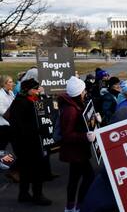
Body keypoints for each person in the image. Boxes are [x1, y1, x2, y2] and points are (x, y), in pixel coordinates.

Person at [8, 78, 52, 206]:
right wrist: (38, 130)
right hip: (26, 143)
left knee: (26, 169)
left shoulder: (30, 100)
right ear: (28, 90)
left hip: (30, 141)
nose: (38, 90)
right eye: (35, 89)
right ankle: (37, 195)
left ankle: (24, 194)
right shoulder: (21, 103)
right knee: (35, 170)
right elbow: (22, 126)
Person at [59, 76, 95, 211]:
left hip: (78, 150)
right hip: (75, 151)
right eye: (84, 90)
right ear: (79, 92)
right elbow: (67, 135)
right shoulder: (71, 110)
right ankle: (78, 206)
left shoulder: (75, 105)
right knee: (89, 177)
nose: (85, 92)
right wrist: (85, 136)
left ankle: (70, 207)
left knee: (75, 178)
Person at [0, 75, 15, 150]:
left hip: (11, 124)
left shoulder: (11, 93)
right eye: (10, 82)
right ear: (4, 84)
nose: (13, 83)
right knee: (2, 146)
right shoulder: (0, 95)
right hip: (3, 125)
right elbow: (2, 111)